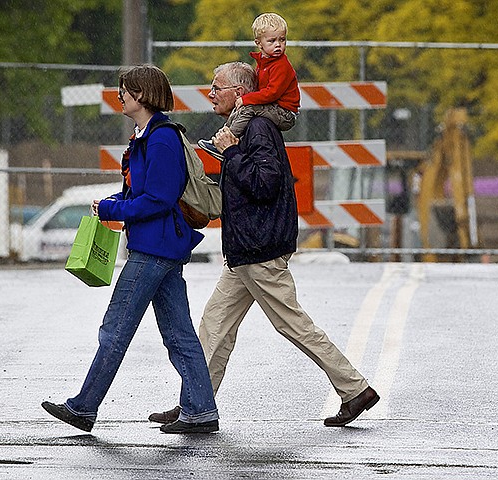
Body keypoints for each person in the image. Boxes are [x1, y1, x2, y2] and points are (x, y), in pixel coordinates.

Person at [149, 62, 378, 428]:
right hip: (244, 250)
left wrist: (231, 153)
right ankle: (195, 405)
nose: (211, 94)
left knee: (293, 324)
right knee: (214, 327)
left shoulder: (258, 127)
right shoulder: (247, 127)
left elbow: (266, 182)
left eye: (217, 87)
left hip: (259, 249)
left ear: (240, 93)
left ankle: (355, 389)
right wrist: (232, 152)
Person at [42, 65, 219, 435]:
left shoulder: (162, 138)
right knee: (179, 334)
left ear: (141, 95)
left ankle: (83, 408)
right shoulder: (144, 135)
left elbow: (159, 198)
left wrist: (113, 210)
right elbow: (139, 191)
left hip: (154, 248)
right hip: (160, 247)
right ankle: (201, 411)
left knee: (115, 329)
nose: (119, 95)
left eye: (124, 90)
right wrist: (112, 200)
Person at [198, 12, 299, 161]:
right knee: (241, 108)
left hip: (284, 113)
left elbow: (273, 93)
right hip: (274, 108)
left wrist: (246, 98)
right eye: (272, 41)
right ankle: (220, 140)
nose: (278, 45)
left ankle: (226, 143)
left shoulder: (281, 66)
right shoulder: (264, 64)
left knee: (249, 107)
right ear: (259, 43)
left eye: (282, 40)